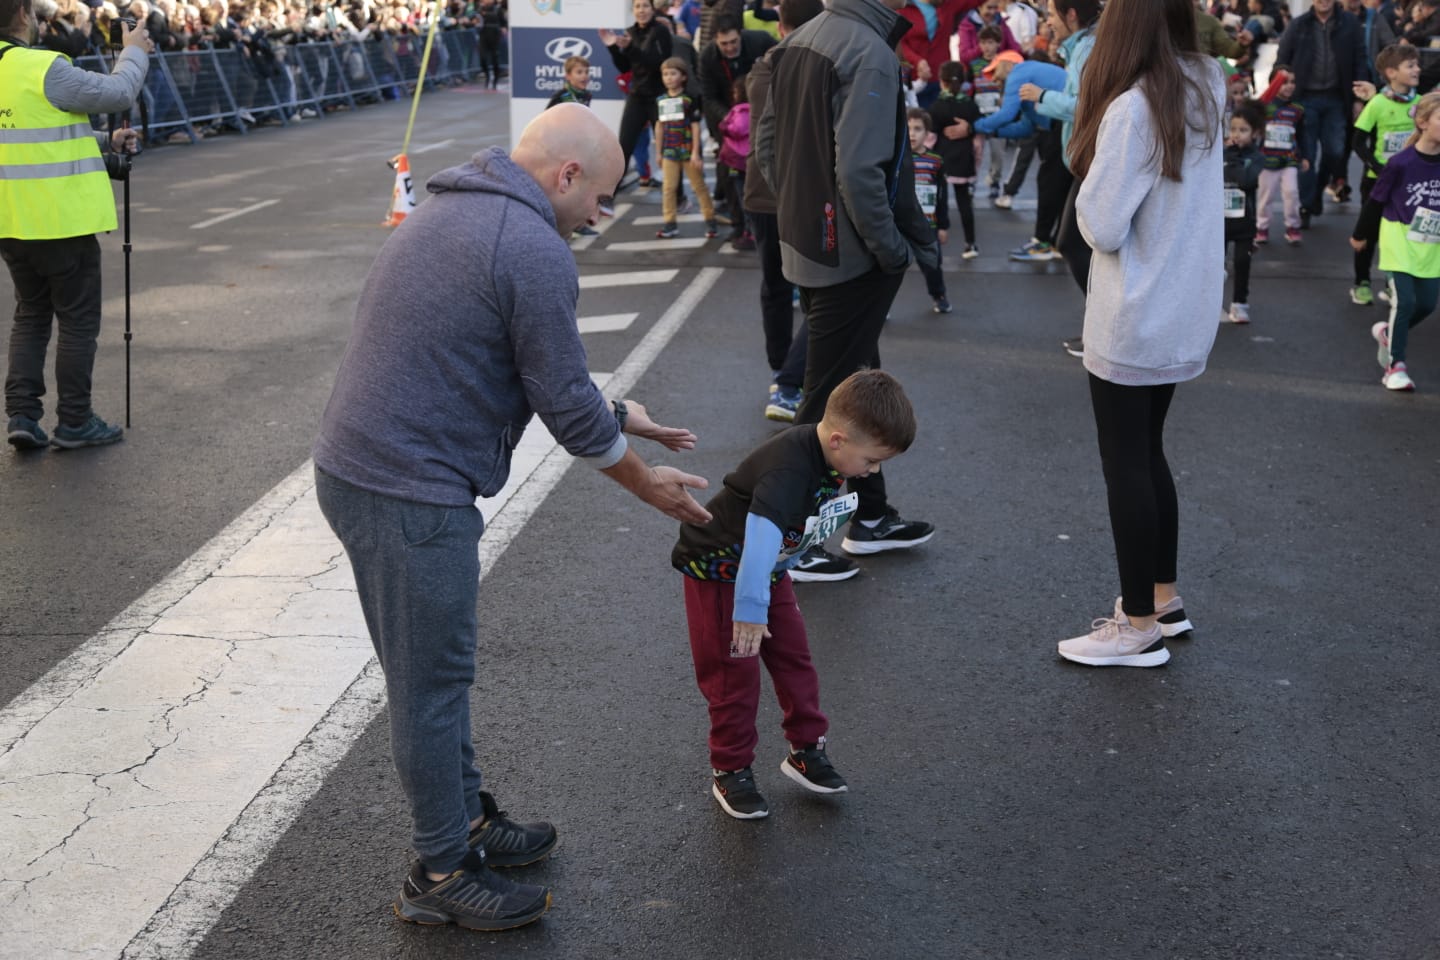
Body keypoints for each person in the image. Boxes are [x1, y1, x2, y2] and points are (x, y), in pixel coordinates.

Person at [312, 104, 713, 931]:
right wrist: (648, 486)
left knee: (436, 677)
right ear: (566, 175)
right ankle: (439, 870)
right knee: (430, 686)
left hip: (372, 470)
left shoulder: (460, 207)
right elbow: (565, 408)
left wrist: (621, 416)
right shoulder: (530, 247)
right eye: (600, 196)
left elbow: (525, 364)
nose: (601, 214)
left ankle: (463, 819)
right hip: (405, 487)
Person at [1059, 0, 1224, 668]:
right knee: (1148, 450)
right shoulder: (1206, 79)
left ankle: (1135, 625)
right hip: (1184, 304)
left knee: (1125, 459)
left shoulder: (1133, 108)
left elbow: (1101, 225)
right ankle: (1161, 596)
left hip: (1133, 310)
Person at [671, 370, 916, 820]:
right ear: (840, 440)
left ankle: (806, 749)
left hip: (768, 572)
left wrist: (786, 568)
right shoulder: (789, 469)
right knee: (733, 677)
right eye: (872, 460)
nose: (873, 471)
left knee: (795, 658)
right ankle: (731, 769)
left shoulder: (827, 454)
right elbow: (761, 534)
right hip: (722, 573)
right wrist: (750, 610)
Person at [756, 0, 938, 583]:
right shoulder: (869, 52)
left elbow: (768, 146)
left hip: (811, 238)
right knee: (824, 401)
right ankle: (792, 543)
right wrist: (889, 248)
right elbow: (863, 172)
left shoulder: (798, 40)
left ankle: (871, 516)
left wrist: (805, 210)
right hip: (851, 251)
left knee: (853, 377)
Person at [2, 0, 151, 451]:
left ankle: (22, 415)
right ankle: (75, 420)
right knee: (78, 322)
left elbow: (34, 129)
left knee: (30, 315)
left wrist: (106, 141)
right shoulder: (42, 67)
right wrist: (134, 51)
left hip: (11, 221)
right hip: (61, 220)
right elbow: (117, 93)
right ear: (24, 15)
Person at [743, 0, 824, 427]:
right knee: (822, 291)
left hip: (759, 193)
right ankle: (790, 381)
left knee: (775, 286)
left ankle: (781, 371)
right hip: (798, 193)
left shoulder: (762, 66)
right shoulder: (812, 65)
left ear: (781, 28)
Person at [1352, 90, 1440, 392]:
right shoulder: (1401, 163)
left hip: (1431, 244)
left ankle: (1389, 334)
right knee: (1405, 301)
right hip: (1398, 238)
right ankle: (1395, 366)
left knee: (1427, 304)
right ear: (1424, 122)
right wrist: (1360, 234)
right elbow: (1376, 201)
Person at [1027, 0, 1099, 356]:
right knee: (1079, 245)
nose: (1049, 23)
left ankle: (1103, 331)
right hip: (1087, 160)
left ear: (1072, 14)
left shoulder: (1088, 48)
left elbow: (1085, 105)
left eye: (1053, 15)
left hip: (1092, 160)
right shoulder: (1084, 46)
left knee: (1070, 242)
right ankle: (1100, 330)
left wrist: (1042, 96)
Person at [1275, 0, 1369, 225]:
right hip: (1304, 98)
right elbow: (1282, 61)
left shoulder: (1350, 23)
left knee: (1336, 151)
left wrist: (1358, 99)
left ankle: (1316, 193)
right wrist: (1280, 93)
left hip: (1337, 98)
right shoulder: (1299, 25)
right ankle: (1306, 206)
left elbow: (1360, 60)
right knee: (1306, 156)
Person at [973, 50, 1068, 261]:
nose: (995, 79)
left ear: (1007, 64)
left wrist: (975, 126)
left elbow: (1007, 113)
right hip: (1063, 123)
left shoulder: (1019, 71)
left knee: (1049, 182)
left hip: (1063, 122)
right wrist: (992, 132)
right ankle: (1060, 242)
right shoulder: (1028, 78)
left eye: (994, 72)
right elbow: (1025, 127)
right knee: (1061, 186)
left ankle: (1042, 242)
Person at [1349, 42, 1418, 306]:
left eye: (1416, 64)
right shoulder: (1377, 103)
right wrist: (1377, 168)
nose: (1417, 69)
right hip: (1376, 181)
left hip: (1408, 182)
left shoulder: (1421, 103)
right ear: (1391, 73)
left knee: (1401, 234)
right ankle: (1361, 282)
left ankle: (1393, 283)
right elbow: (1357, 142)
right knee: (1369, 232)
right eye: (1410, 65)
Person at [698, 14, 774, 217]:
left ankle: (761, 209)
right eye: (724, 44)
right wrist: (732, 119)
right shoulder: (707, 56)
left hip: (760, 113)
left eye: (733, 42)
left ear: (741, 35)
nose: (730, 47)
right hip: (727, 118)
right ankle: (736, 219)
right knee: (728, 169)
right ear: (715, 40)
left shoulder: (760, 41)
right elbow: (708, 96)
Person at [601, 0, 674, 190]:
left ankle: (678, 196)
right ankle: (610, 195)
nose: (641, 10)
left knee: (670, 146)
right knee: (624, 146)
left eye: (645, 6)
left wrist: (630, 48)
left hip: (660, 96)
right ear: (632, 10)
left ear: (652, 8)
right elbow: (625, 67)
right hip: (637, 96)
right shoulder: (630, 32)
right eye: (637, 6)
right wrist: (613, 47)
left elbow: (659, 64)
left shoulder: (661, 31)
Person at [653, 56, 718, 239]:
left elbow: (696, 125)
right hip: (669, 151)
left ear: (683, 76)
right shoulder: (661, 101)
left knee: (699, 186)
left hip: (688, 150)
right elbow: (660, 126)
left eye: (673, 73)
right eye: (665, 74)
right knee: (669, 188)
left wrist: (696, 152)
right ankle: (669, 223)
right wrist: (658, 152)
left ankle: (710, 220)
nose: (668, 77)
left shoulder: (689, 100)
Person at [929, 60, 982, 258]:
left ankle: (931, 240)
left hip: (941, 161)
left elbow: (930, 139)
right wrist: (975, 163)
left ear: (941, 81)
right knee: (964, 203)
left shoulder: (936, 107)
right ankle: (971, 244)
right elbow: (978, 141)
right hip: (963, 161)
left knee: (935, 201)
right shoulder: (971, 107)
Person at [1223, 99, 1265, 324]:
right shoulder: (1220, 153)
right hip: (1219, 222)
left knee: (1241, 262)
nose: (1237, 134)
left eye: (1243, 130)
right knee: (1214, 266)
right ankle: (1207, 304)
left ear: (1255, 133)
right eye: (1233, 129)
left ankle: (1239, 303)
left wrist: (1231, 158)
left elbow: (1246, 180)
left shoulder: (1256, 158)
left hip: (1244, 223)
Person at [907, 108, 952, 312]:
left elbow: (942, 196)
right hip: (901, 224)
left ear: (927, 133)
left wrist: (943, 225)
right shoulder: (896, 160)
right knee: (890, 269)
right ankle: (881, 306)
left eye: (918, 129)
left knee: (932, 263)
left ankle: (938, 295)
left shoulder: (936, 161)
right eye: (907, 129)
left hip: (928, 224)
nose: (912, 133)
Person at [898, 0, 984, 108]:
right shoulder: (903, 6)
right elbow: (900, 43)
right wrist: (918, 61)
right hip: (914, 79)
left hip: (942, 79)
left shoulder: (948, 4)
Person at [1256, 65, 1308, 245]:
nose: (1289, 86)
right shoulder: (1264, 106)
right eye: (1284, 82)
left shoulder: (1297, 108)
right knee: (1266, 196)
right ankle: (1262, 227)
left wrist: (1305, 156)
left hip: (1289, 160)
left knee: (1292, 193)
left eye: (1292, 82)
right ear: (1274, 83)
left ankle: (1293, 227)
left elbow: (1303, 134)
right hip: (1267, 160)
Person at [718, 75, 753, 248]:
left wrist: (724, 125)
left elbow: (738, 129)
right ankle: (747, 230)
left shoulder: (741, 110)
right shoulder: (754, 108)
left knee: (742, 197)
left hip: (737, 161)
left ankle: (748, 233)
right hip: (744, 160)